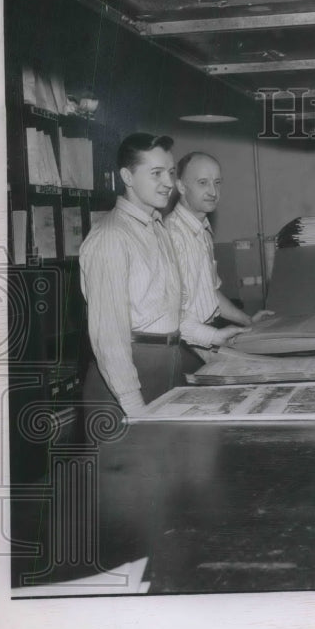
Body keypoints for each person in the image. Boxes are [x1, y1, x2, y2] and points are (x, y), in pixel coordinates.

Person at [79, 133, 191, 417]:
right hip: (125, 384)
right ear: (127, 177)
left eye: (170, 171)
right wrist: (133, 407)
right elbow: (109, 335)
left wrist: (214, 337)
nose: (169, 182)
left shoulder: (158, 227)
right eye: (156, 173)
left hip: (167, 367)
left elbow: (167, 312)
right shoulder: (111, 236)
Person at [165, 152, 259, 350]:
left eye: (217, 182)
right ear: (181, 186)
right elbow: (171, 314)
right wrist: (213, 339)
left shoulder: (203, 231)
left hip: (202, 340)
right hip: (183, 345)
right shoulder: (172, 235)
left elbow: (209, 293)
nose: (213, 191)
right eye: (202, 183)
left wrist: (249, 321)